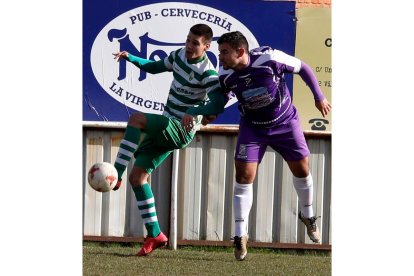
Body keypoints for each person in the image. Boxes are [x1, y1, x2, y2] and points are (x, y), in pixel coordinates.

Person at [216, 31, 331, 261]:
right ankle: (240, 234)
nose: (220, 57)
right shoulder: (225, 73)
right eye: (219, 52)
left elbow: (304, 68)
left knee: (302, 169)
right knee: (244, 175)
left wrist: (319, 96)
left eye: (224, 52)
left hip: (286, 123)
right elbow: (220, 97)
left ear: (240, 51)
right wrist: (205, 113)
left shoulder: (269, 58)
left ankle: (308, 215)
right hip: (253, 128)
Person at [112, 23, 224, 256]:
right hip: (168, 124)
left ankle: (115, 173)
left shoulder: (208, 72)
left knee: (136, 119)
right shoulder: (178, 56)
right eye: (188, 40)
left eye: (195, 43)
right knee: (139, 177)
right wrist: (131, 57)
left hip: (181, 131)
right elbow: (153, 67)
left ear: (207, 46)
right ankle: (155, 234)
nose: (190, 46)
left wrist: (196, 112)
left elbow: (217, 101)